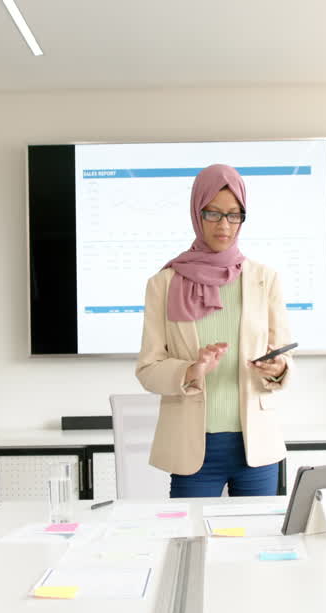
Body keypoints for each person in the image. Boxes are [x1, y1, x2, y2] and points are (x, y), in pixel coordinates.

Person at [135, 163, 292, 498]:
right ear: (197, 212)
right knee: (190, 545)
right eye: (214, 214)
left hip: (256, 449)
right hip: (193, 449)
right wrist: (192, 369)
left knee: (257, 546)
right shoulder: (163, 284)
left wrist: (277, 369)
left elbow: (283, 358)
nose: (225, 225)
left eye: (235, 215)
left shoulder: (265, 279)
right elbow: (148, 370)